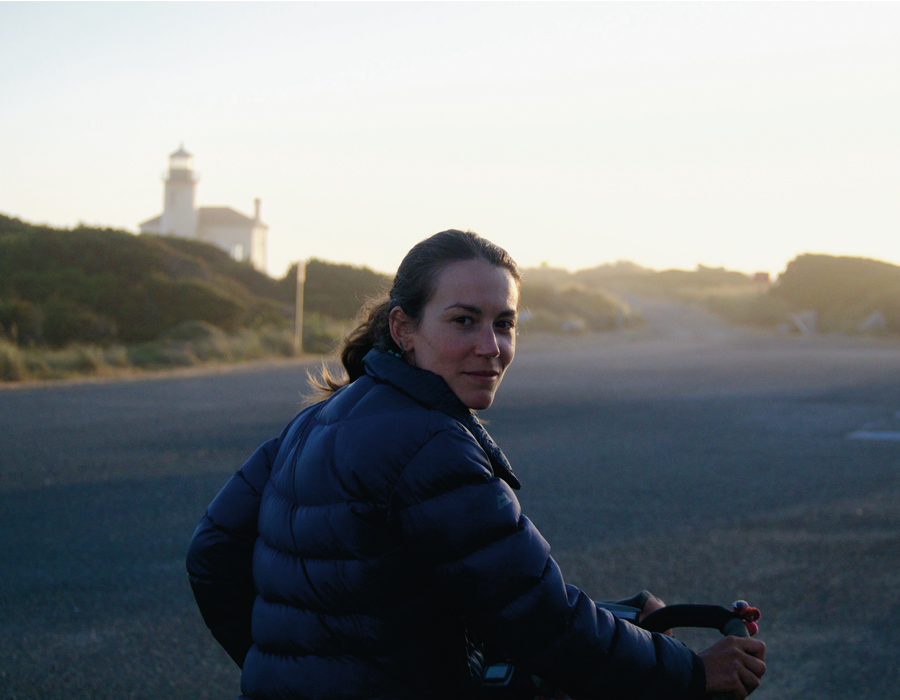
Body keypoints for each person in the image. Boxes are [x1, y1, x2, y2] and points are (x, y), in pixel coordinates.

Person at [186, 229, 766, 700]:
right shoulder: (428, 443)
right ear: (404, 330)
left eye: (504, 323)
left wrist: (289, 670)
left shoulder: (325, 416)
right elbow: (540, 617)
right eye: (464, 320)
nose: (491, 346)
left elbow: (212, 555)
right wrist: (689, 672)